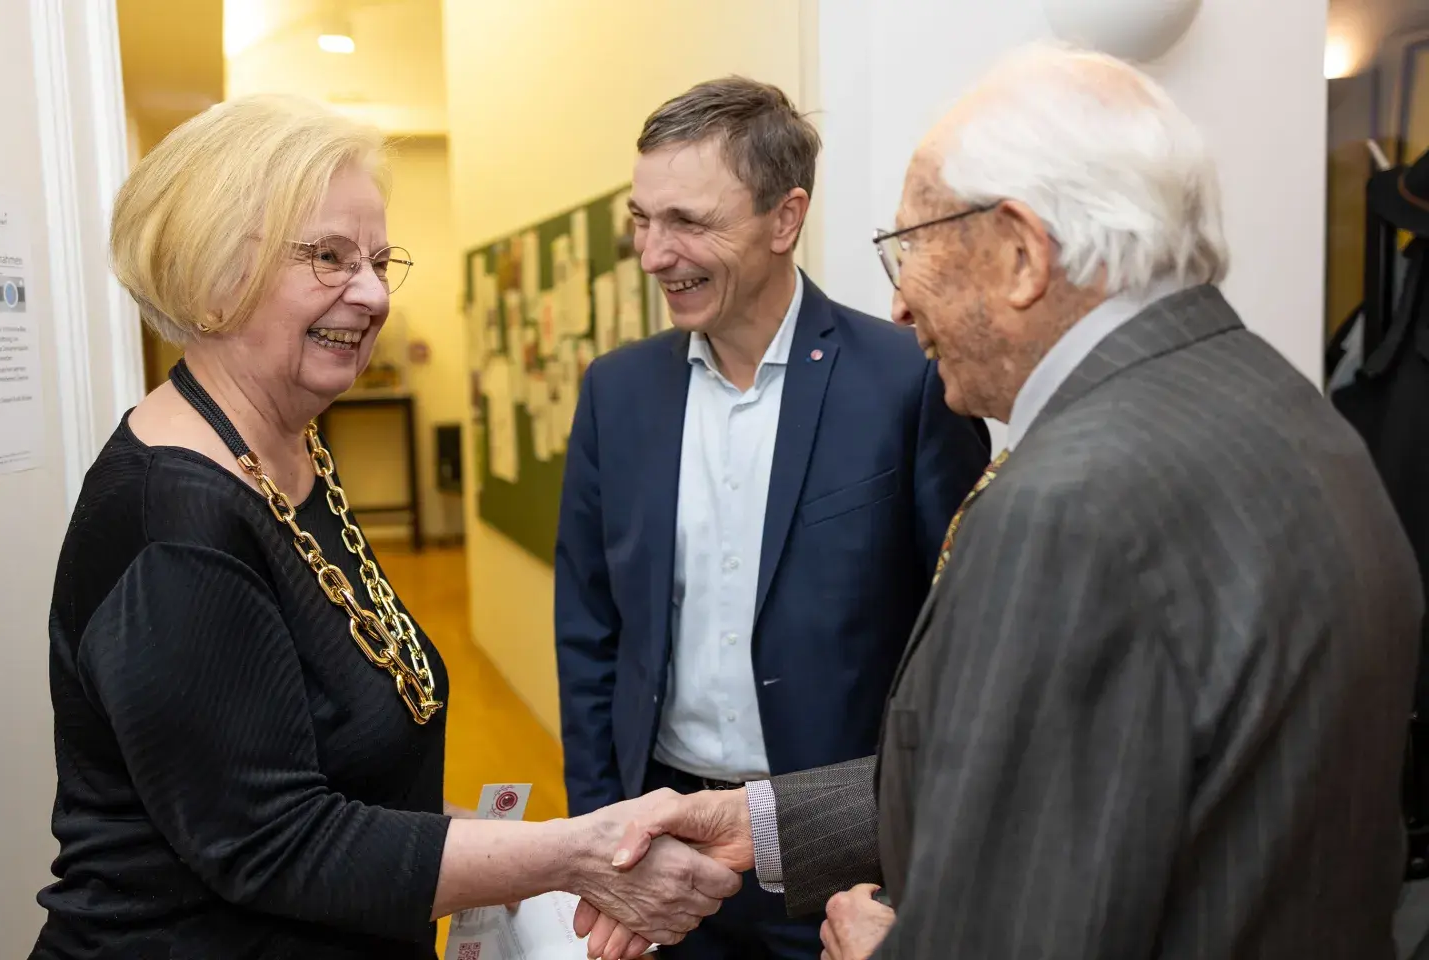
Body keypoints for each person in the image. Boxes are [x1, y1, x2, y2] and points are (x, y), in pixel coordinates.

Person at [577, 43, 1425, 960]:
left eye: (914, 249)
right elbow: (1078, 777)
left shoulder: (1067, 504)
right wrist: (770, 824)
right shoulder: (1294, 413)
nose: (899, 308)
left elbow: (1023, 910)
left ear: (1021, 253)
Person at [31, 93, 738, 960]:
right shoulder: (173, 522)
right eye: (328, 257)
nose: (370, 294)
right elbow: (274, 842)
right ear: (214, 273)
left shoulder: (290, 457)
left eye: (377, 259)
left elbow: (331, 773)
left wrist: (526, 852)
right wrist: (574, 854)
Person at [554, 77, 989, 960]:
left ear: (784, 218)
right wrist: (606, 844)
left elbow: (963, 651)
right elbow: (591, 633)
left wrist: (908, 865)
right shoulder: (616, 394)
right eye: (642, 219)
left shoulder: (908, 381)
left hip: (843, 862)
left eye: (686, 221)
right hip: (664, 844)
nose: (652, 252)